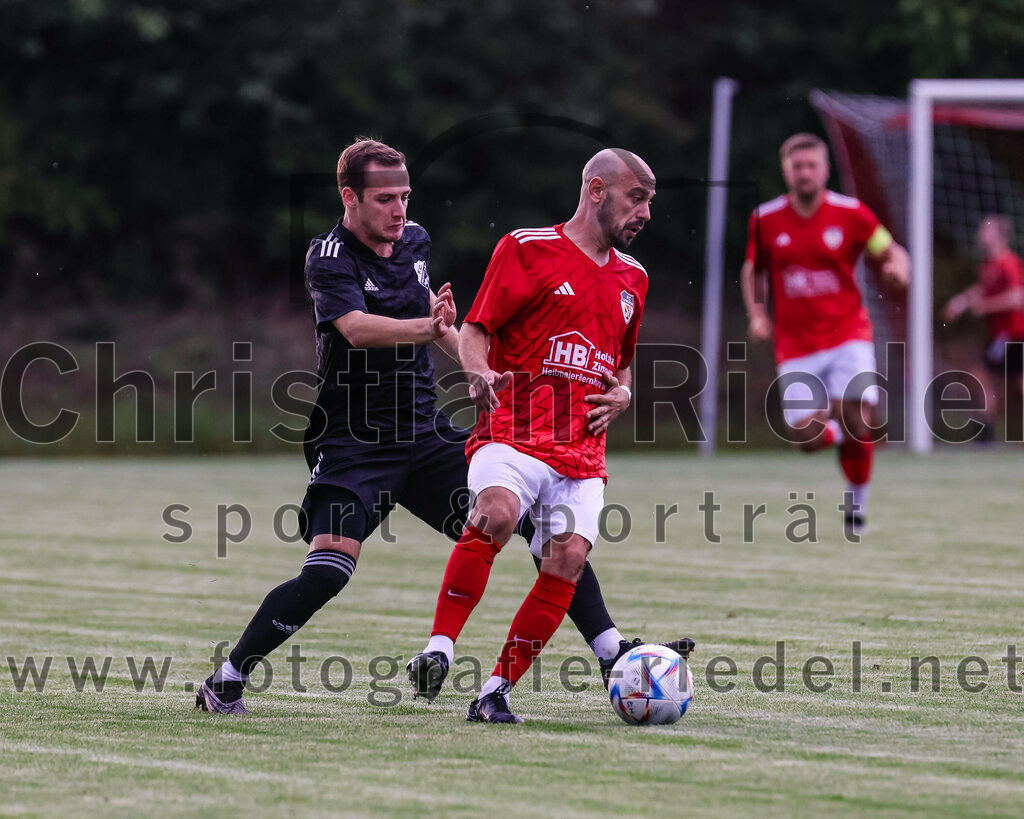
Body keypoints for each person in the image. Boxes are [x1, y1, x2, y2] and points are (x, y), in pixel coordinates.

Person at [196, 138, 690, 715]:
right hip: (356, 441)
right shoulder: (328, 256)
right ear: (349, 197)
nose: (399, 210)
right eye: (385, 199)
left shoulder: (416, 242)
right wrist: (429, 331)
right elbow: (355, 328)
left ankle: (612, 652)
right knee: (329, 570)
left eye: (405, 196)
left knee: (530, 527)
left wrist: (480, 371)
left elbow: (443, 320)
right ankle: (229, 676)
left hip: (425, 436)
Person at [407, 148, 659, 724]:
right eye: (636, 197)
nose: (645, 212)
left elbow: (619, 367)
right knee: (495, 513)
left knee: (567, 559)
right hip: (514, 429)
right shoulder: (526, 248)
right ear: (595, 190)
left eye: (649, 202)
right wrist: (477, 371)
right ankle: (438, 650)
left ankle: (495, 691)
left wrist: (623, 394)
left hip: (581, 449)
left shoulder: (634, 279)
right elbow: (475, 330)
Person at [740, 133, 910, 537]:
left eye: (811, 165)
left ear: (825, 169)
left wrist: (900, 268)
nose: (804, 173)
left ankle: (857, 508)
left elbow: (891, 250)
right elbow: (753, 270)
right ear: (786, 171)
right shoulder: (765, 219)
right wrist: (759, 314)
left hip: (848, 333)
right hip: (796, 344)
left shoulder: (852, 213)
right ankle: (845, 424)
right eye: (797, 166)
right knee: (805, 438)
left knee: (857, 418)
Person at [942, 214, 1024, 438]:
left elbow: (1018, 297)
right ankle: (984, 436)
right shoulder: (989, 265)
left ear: (998, 236)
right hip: (1000, 335)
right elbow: (982, 288)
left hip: (1013, 333)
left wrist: (985, 307)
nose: (980, 234)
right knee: (1006, 381)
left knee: (982, 376)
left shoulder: (1009, 262)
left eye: (985, 230)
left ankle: (983, 437)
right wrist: (961, 302)